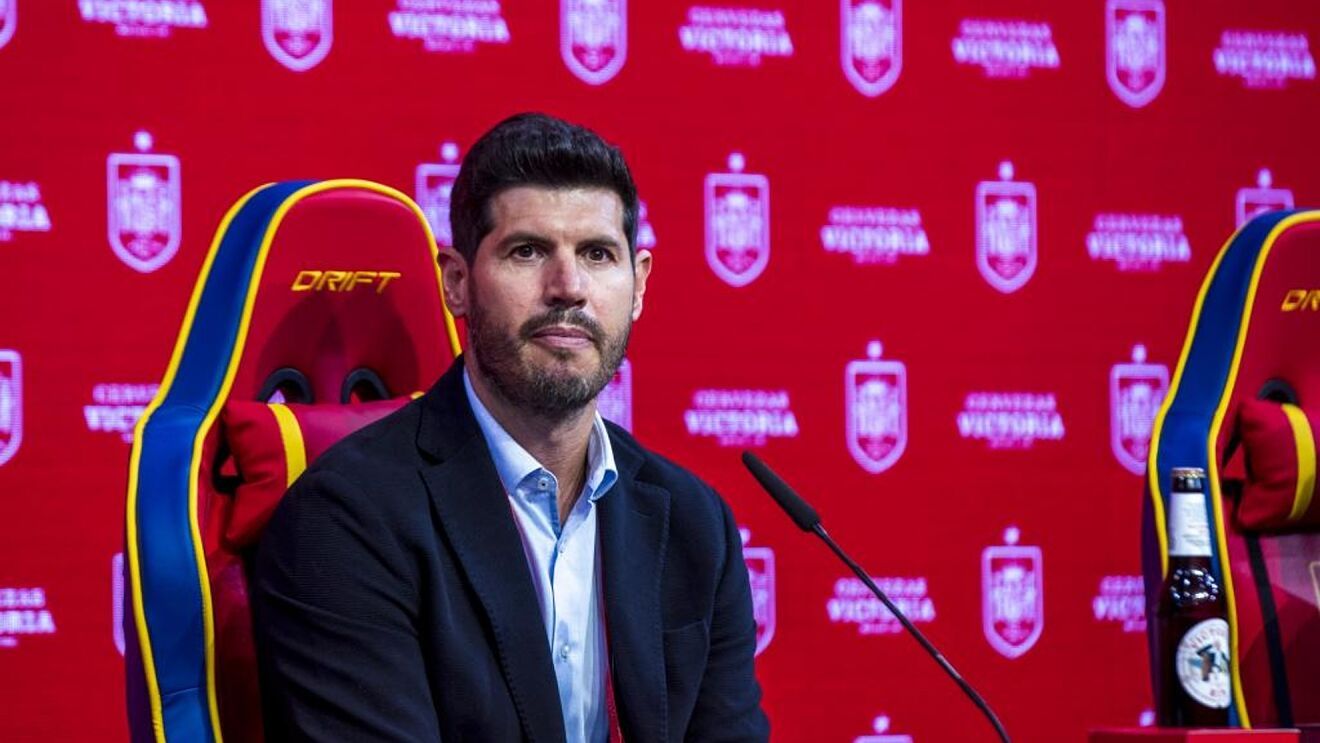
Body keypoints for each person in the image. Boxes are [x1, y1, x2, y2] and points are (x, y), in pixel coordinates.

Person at [252, 113, 770, 742]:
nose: (568, 288)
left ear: (638, 286)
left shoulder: (695, 524)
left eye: (597, 254)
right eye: (527, 251)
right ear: (458, 282)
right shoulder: (346, 519)